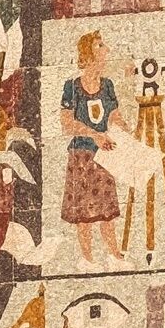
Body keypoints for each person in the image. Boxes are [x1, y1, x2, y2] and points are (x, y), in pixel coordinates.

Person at [61, 29, 125, 261]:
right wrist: (93, 135)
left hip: (105, 154)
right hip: (81, 154)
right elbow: (66, 122)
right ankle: (87, 258)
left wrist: (127, 131)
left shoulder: (107, 85)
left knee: (107, 211)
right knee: (83, 214)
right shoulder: (72, 86)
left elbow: (115, 116)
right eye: (100, 46)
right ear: (88, 54)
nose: (106, 50)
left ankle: (114, 254)